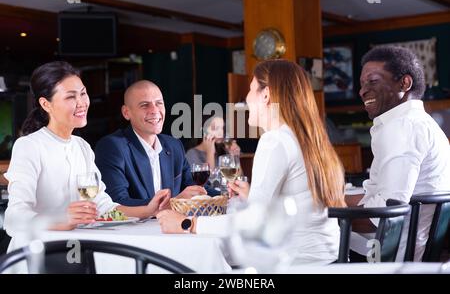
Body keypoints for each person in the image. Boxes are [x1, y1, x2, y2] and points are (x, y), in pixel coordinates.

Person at [157, 59, 346, 265]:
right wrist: (252, 195)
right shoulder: (309, 139)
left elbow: (254, 222)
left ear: (266, 95)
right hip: (328, 259)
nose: (246, 98)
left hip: (297, 264)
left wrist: (187, 223)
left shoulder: (274, 140)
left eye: (250, 89)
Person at [4, 62, 171, 239]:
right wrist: (62, 219)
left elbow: (103, 207)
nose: (82, 103)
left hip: (76, 251)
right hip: (36, 254)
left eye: (83, 93)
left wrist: (148, 210)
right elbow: (14, 219)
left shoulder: (82, 147)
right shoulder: (29, 146)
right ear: (46, 104)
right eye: (70, 97)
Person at [347, 46, 450, 261]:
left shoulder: (403, 128)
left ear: (404, 83)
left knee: (306, 235)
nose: (362, 91)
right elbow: (380, 197)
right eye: (362, 84)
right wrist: (330, 198)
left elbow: (384, 214)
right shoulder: (420, 123)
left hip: (391, 254)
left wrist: (320, 216)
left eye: (372, 81)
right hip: (412, 248)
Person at [95, 80, 205, 206]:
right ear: (126, 113)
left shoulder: (174, 145)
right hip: (134, 226)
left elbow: (196, 189)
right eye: (144, 105)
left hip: (172, 224)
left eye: (159, 103)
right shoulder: (112, 147)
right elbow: (117, 202)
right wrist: (173, 202)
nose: (154, 110)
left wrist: (228, 195)